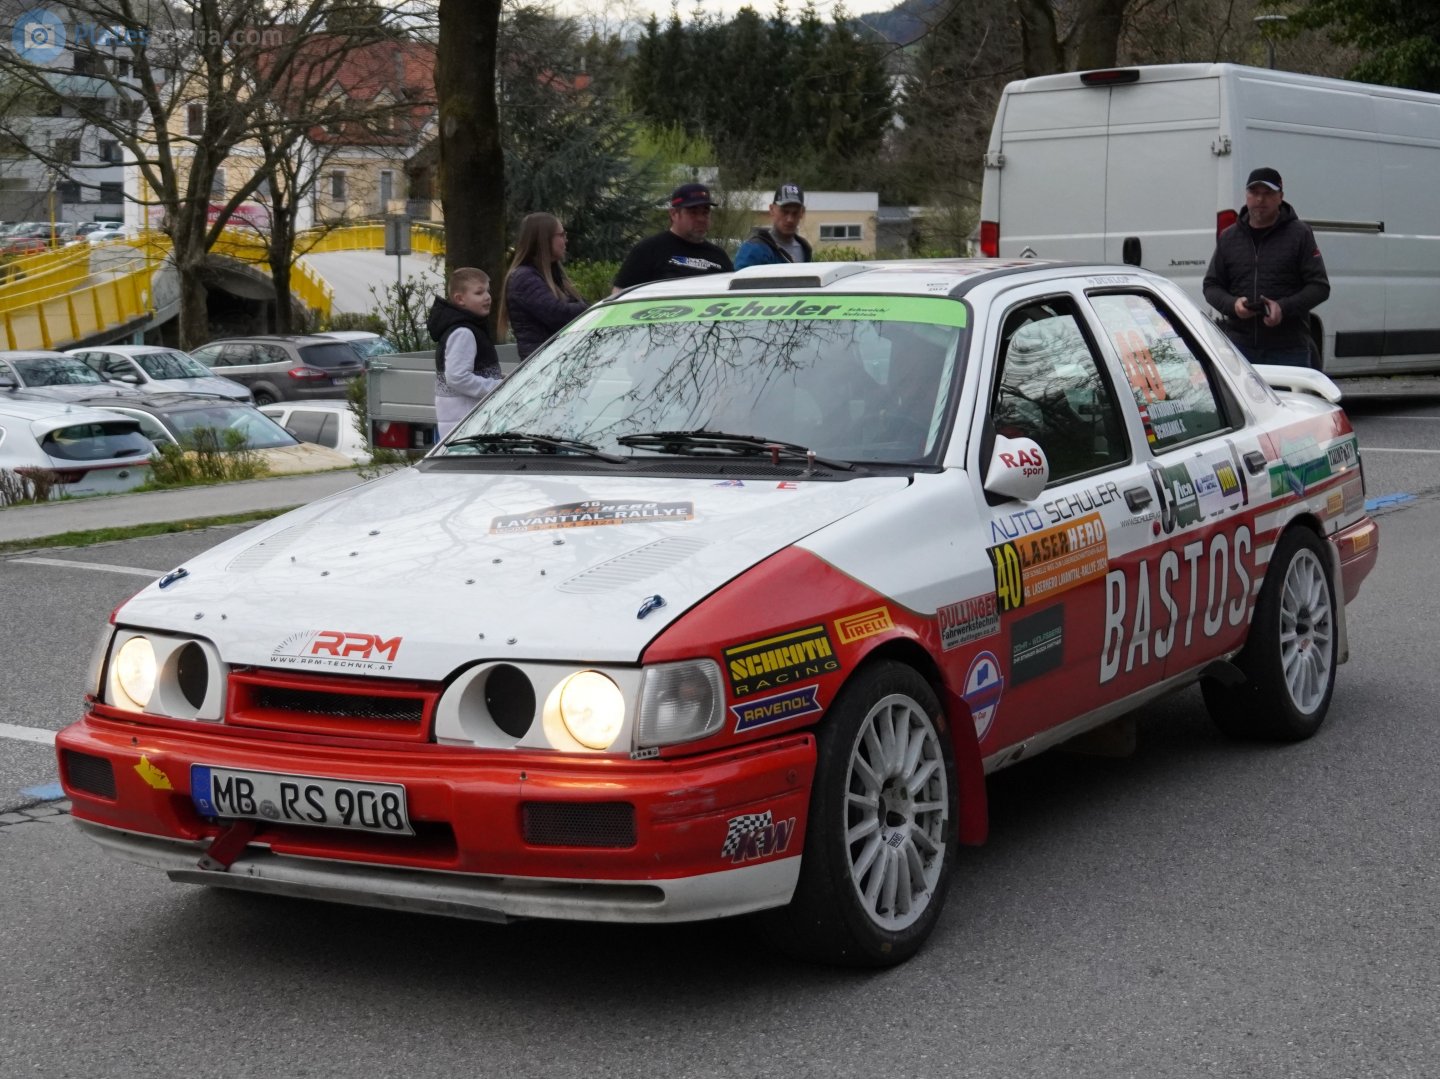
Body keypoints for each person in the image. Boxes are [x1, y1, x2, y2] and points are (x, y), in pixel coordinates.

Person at [1203, 166, 1330, 367]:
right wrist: (1233, 305)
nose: (1260, 199)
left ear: (1280, 197)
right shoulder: (1229, 237)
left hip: (1289, 349)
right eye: (1254, 193)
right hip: (1239, 349)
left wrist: (1282, 308)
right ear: (1246, 196)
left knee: (1288, 391)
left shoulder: (1300, 234)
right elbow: (1211, 286)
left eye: (1268, 193)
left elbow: (1320, 287)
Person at [497, 213, 589, 361]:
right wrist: (591, 308)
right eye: (561, 235)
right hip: (543, 364)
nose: (566, 240)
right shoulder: (524, 278)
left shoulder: (552, 274)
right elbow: (559, 314)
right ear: (544, 240)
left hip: (555, 360)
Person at [612, 182, 734, 293]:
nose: (701, 219)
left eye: (705, 212)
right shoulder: (649, 250)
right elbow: (619, 294)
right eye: (693, 212)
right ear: (674, 214)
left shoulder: (719, 257)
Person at [427, 267, 502, 440]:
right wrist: (497, 386)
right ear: (460, 299)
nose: (487, 297)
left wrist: (497, 377)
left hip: (466, 422)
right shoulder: (463, 332)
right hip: (465, 424)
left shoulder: (470, 328)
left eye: (488, 291)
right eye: (479, 292)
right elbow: (457, 377)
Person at [734, 183, 813, 269]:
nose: (790, 219)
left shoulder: (804, 249)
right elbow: (739, 276)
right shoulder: (753, 250)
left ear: (802, 213)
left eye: (795, 213)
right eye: (784, 212)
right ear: (772, 210)